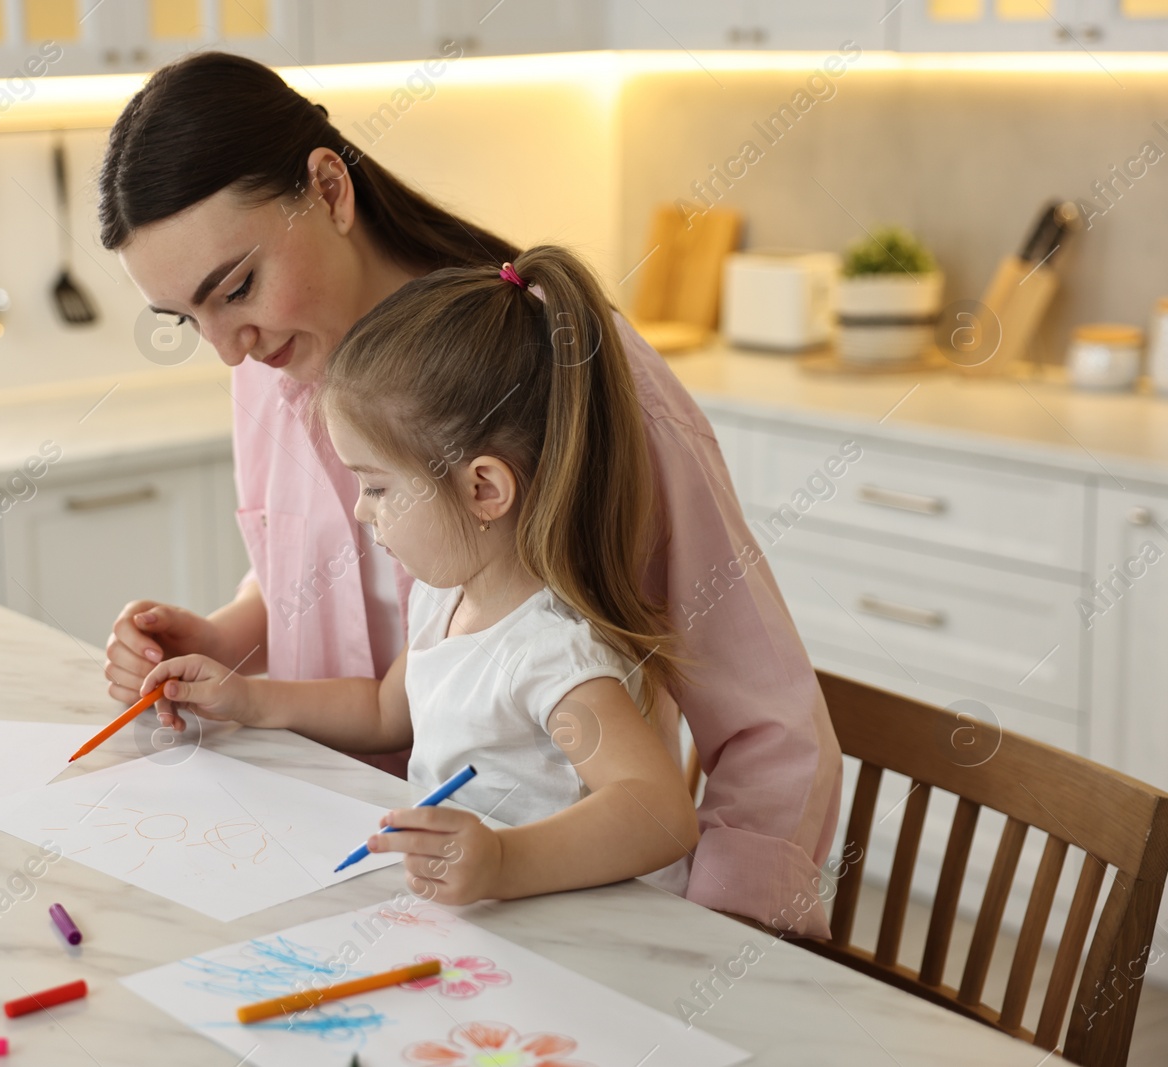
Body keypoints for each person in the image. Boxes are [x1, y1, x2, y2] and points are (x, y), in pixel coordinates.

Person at [99, 52, 840, 933]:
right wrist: (229, 633)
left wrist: (720, 954)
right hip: (354, 880)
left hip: (551, 918)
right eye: (189, 319)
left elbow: (772, 731)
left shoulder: (575, 381)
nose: (226, 348)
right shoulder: (271, 360)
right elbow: (329, 565)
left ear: (331, 189)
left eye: (237, 288)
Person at [139, 247, 703, 904]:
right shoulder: (445, 595)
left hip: (589, 949)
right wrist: (250, 699)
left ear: (483, 488)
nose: (359, 509)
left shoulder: (551, 652)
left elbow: (662, 810)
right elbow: (386, 709)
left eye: (377, 487)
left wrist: (503, 859)